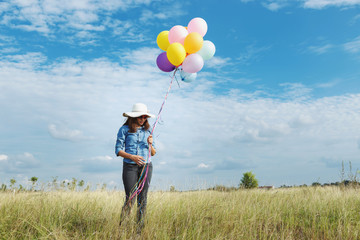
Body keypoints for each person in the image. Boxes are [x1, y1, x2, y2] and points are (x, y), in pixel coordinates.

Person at [115, 103, 156, 230]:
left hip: (146, 167)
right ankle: (122, 228)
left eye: (145, 117)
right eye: (140, 116)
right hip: (130, 167)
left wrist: (151, 144)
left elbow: (153, 153)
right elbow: (118, 150)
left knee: (142, 199)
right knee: (130, 198)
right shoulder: (124, 130)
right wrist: (132, 157)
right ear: (134, 117)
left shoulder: (148, 131)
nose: (143, 119)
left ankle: (139, 230)